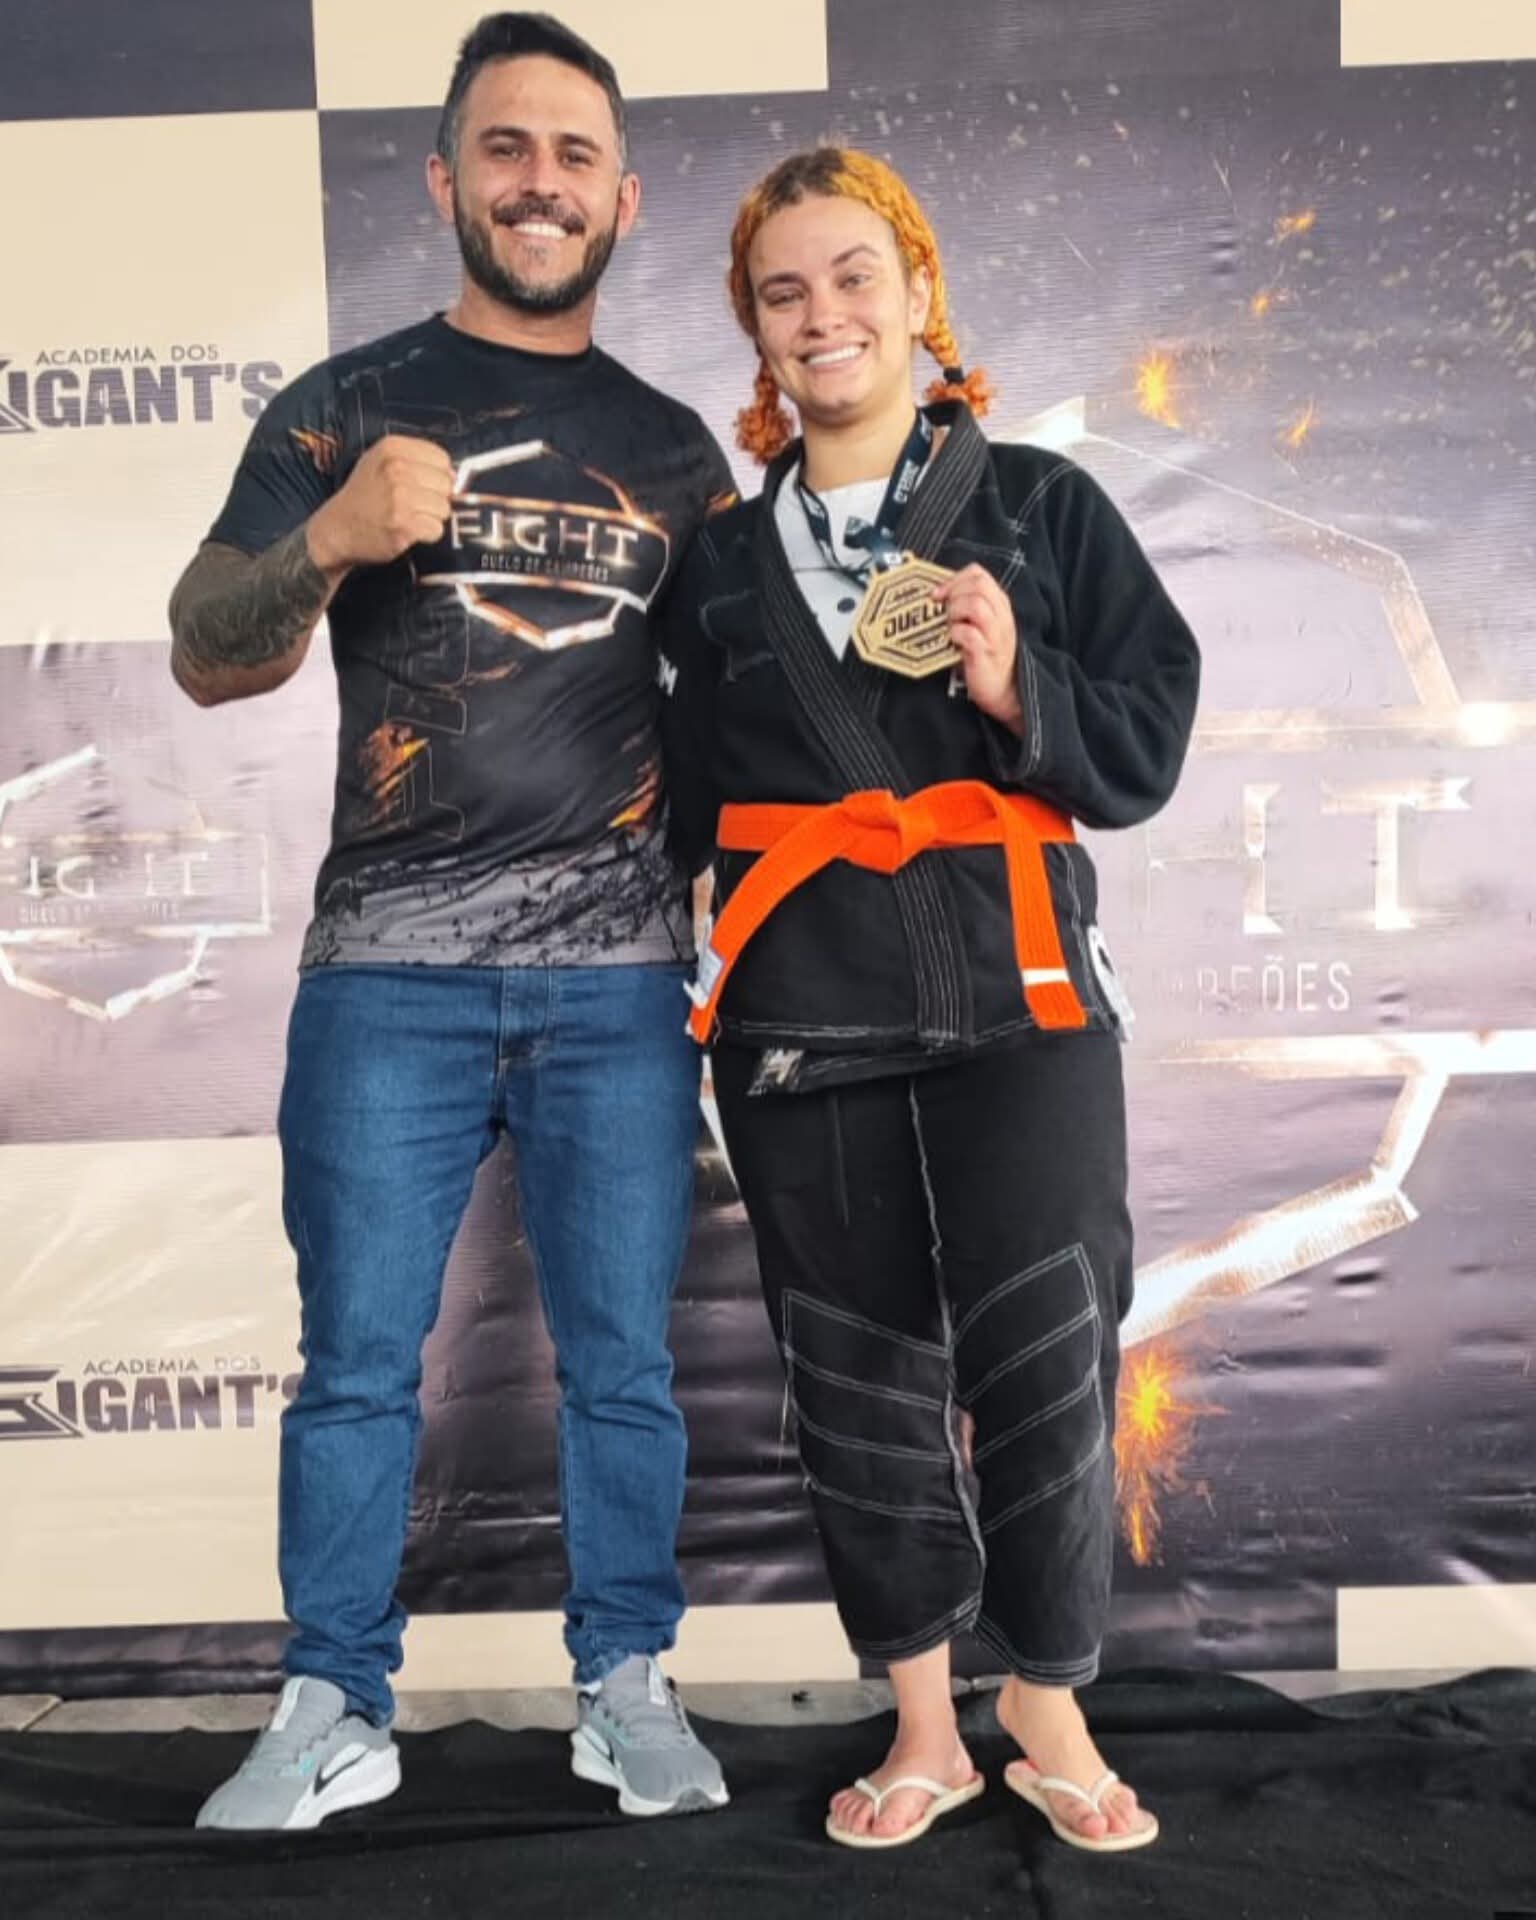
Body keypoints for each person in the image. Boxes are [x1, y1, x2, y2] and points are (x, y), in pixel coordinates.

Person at [168, 12, 734, 1831]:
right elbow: (205, 653)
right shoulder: (342, 407)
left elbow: (737, 724)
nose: (539, 182)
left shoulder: (676, 452)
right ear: (444, 178)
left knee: (625, 1366)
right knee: (352, 1367)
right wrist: (331, 538)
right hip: (384, 983)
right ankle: (332, 1700)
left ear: (624, 199)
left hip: (618, 983)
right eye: (506, 147)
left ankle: (627, 1684)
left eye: (574, 155)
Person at [659, 147, 1200, 1853]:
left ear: (917, 294)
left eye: (853, 277)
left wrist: (1017, 680)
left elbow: (1147, 738)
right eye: (784, 290)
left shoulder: (1039, 508)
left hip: (1020, 994)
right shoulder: (715, 565)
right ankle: (921, 1722)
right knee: (855, 1368)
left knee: (1051, 1349)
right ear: (757, 327)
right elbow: (680, 795)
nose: (822, 314)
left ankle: (1045, 1700)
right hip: (800, 1016)